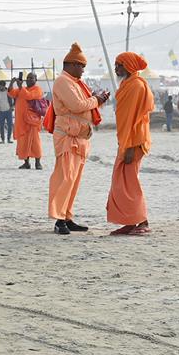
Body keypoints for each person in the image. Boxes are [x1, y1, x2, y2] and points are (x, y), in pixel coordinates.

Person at [48, 43, 109, 235]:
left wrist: (98, 100)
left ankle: (67, 216)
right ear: (72, 64)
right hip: (67, 137)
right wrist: (96, 100)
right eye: (81, 66)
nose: (83, 70)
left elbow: (85, 106)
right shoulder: (62, 82)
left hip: (81, 137)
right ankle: (59, 220)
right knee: (65, 177)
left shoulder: (76, 83)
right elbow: (76, 105)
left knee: (74, 179)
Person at [106, 52, 154, 236]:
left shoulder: (136, 86)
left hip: (134, 141)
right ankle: (129, 221)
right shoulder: (127, 84)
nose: (116, 68)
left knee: (130, 182)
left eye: (119, 64)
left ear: (129, 66)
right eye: (116, 64)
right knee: (120, 182)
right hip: (126, 140)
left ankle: (142, 221)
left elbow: (134, 120)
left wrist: (130, 147)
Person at [9, 73, 44, 169]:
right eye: (27, 78)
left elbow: (29, 96)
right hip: (21, 121)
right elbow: (11, 93)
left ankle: (38, 163)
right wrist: (12, 83)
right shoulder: (21, 89)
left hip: (32, 121)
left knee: (35, 142)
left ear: (35, 80)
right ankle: (26, 162)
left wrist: (20, 86)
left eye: (31, 78)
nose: (29, 79)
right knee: (23, 142)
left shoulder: (37, 89)